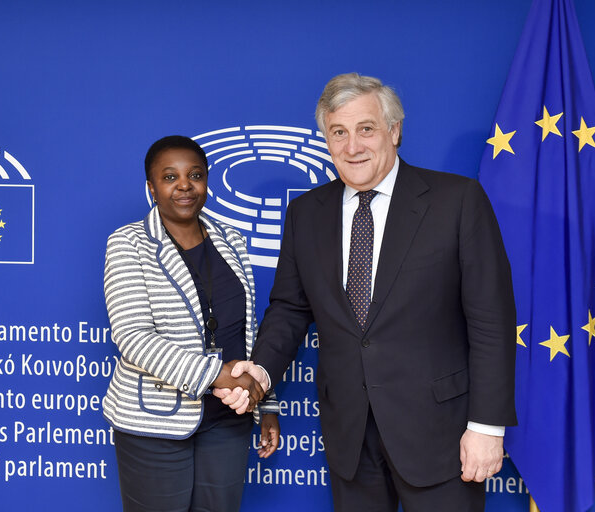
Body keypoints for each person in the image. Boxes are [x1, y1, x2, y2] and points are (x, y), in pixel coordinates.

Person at [217, 73, 516, 511]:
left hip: (441, 436)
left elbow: (491, 321)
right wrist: (261, 372)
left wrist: (487, 427)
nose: (352, 146)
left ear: (394, 131)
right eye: (338, 132)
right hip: (350, 438)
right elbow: (288, 310)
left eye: (366, 129)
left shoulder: (457, 201)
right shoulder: (306, 213)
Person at [102, 135, 280, 512]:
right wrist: (219, 375)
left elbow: (245, 333)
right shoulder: (128, 243)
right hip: (155, 423)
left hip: (228, 419)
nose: (184, 185)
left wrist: (264, 403)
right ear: (151, 188)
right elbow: (133, 337)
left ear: (207, 182)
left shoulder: (230, 240)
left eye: (195, 175)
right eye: (170, 177)